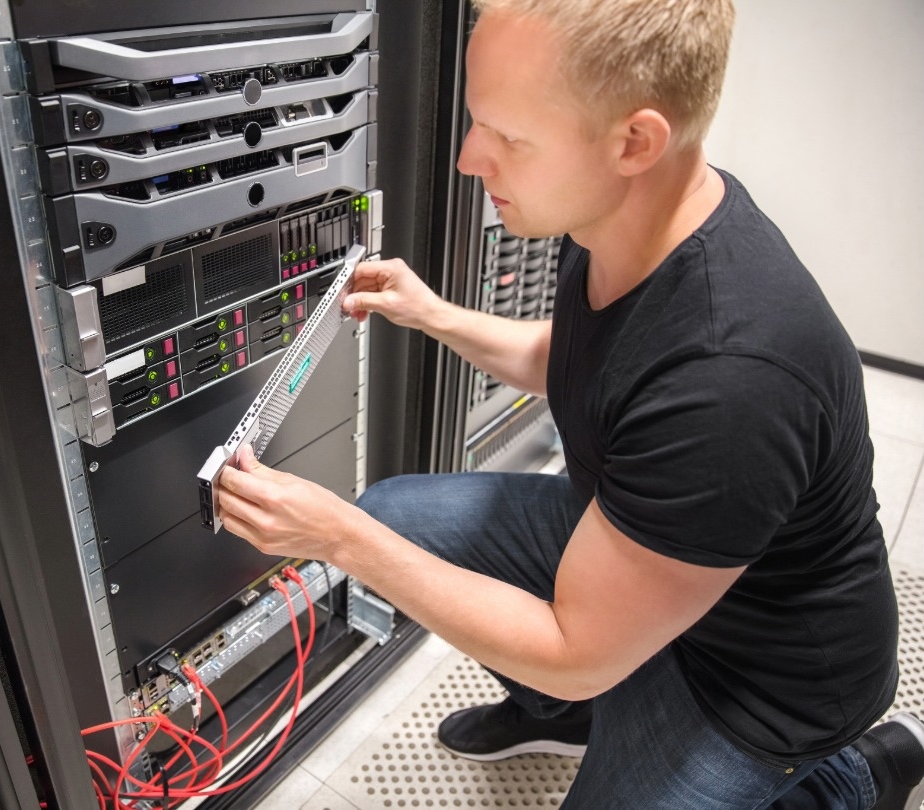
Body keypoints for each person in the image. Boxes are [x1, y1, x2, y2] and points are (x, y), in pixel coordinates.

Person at [215, 0, 924, 806]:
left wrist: (334, 537)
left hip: (758, 679)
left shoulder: (732, 376)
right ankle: (566, 718)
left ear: (633, 142)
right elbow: (586, 360)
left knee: (379, 540)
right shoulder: (622, 218)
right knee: (398, 516)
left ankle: (858, 774)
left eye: (508, 137)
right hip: (640, 559)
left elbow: (574, 647)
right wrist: (430, 312)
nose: (470, 160)